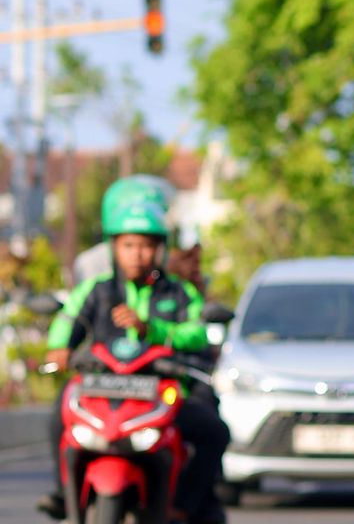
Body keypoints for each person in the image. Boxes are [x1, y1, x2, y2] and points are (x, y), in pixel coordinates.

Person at [36, 187, 230, 524]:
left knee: (214, 431)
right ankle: (62, 491)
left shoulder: (178, 293)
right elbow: (68, 320)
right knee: (58, 416)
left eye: (146, 246)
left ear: (159, 250)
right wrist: (60, 349)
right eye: (129, 245)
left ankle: (187, 504)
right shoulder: (97, 290)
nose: (137, 254)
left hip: (160, 393)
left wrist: (151, 329)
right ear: (114, 248)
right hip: (100, 391)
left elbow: (197, 331)